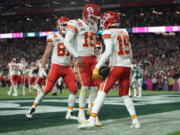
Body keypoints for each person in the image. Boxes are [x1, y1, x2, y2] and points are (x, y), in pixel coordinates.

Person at [78, 11, 141, 129]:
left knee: (102, 92)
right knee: (125, 95)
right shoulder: (124, 32)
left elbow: (107, 51)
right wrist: (129, 63)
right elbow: (130, 51)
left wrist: (97, 66)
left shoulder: (107, 32)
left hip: (116, 66)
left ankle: (92, 119)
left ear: (108, 20)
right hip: (126, 66)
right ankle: (135, 121)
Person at [25, 16, 78, 120]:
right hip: (56, 66)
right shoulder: (54, 36)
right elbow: (46, 54)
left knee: (74, 89)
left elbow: (73, 54)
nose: (65, 27)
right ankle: (31, 109)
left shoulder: (72, 37)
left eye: (66, 25)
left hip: (67, 67)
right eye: (63, 25)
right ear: (58, 26)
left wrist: (74, 66)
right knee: (47, 89)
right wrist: (42, 69)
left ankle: (69, 113)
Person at [64, 4, 102, 126]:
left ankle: (93, 113)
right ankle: (81, 114)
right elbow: (67, 42)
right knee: (85, 86)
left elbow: (93, 45)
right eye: (93, 16)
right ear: (86, 14)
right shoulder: (74, 23)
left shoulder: (94, 26)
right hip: (81, 57)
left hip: (92, 58)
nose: (95, 20)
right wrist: (77, 56)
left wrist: (99, 58)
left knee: (96, 86)